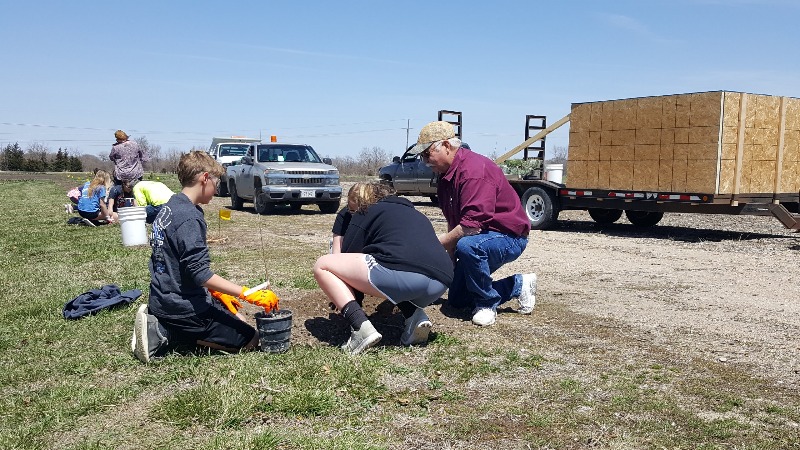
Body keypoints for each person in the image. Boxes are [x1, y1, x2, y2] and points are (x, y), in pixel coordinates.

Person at [131, 151, 278, 363]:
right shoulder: (189, 217)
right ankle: (166, 333)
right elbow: (199, 273)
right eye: (217, 182)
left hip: (163, 298)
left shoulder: (171, 206)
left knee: (238, 317)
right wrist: (245, 293)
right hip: (184, 308)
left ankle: (164, 321)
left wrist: (215, 293)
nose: (218, 189)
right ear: (205, 178)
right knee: (251, 339)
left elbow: (177, 263)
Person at [411, 121, 537, 327]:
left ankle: (487, 304)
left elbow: (472, 225)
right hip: (481, 236)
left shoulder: (474, 171)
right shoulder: (445, 177)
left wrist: (440, 245)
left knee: (468, 246)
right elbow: (456, 222)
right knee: (457, 299)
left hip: (508, 236)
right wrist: (448, 256)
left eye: (427, 154)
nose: (425, 161)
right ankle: (518, 285)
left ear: (446, 145)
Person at [313, 182, 454, 354]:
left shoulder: (365, 211)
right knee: (397, 270)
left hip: (401, 277)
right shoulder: (412, 212)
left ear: (361, 202)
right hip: (441, 281)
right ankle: (416, 317)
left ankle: (361, 328)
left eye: (351, 210)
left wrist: (350, 302)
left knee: (323, 265)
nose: (351, 214)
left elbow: (344, 261)